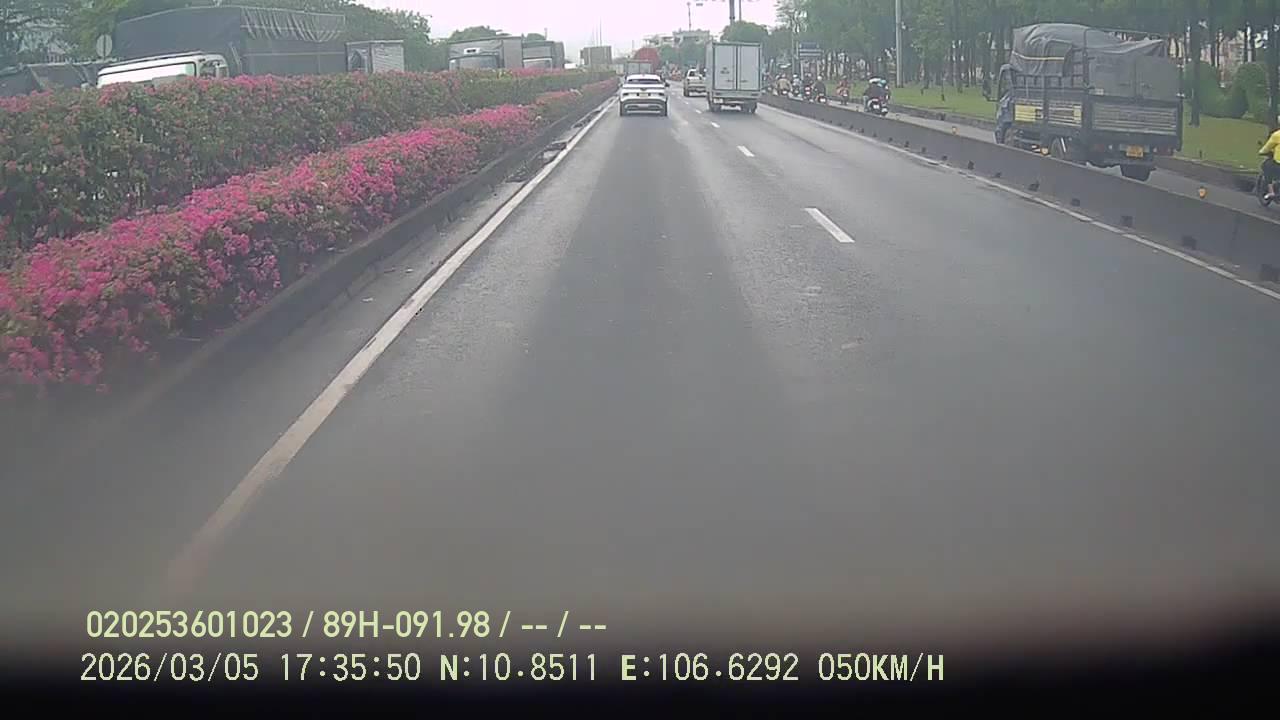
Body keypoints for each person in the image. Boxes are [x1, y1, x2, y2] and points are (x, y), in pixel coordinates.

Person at [1260, 125, 1280, 201]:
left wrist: (1261, 152)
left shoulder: (1277, 135)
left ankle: (1271, 191)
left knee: (1266, 166)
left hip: (1278, 164)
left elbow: (1267, 147)